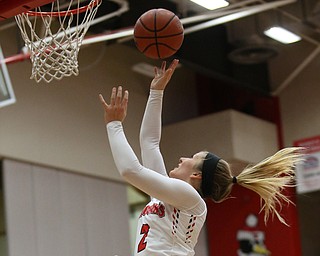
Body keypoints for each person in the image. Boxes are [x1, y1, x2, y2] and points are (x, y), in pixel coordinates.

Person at [99, 59, 304, 256]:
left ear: (197, 174)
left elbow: (130, 170)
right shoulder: (171, 198)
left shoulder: (189, 198)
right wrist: (156, 92)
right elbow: (149, 142)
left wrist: (114, 125)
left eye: (191, 157)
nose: (182, 158)